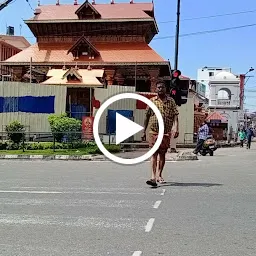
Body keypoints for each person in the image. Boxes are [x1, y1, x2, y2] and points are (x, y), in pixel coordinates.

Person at [142, 80, 179, 187]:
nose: (160, 89)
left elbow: (176, 116)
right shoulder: (152, 101)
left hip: (166, 133)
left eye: (162, 87)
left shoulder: (171, 101)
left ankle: (159, 175)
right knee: (154, 154)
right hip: (154, 132)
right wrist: (144, 131)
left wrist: (176, 128)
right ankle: (153, 177)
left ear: (165, 89)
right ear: (155, 89)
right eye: (158, 87)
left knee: (162, 154)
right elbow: (147, 117)